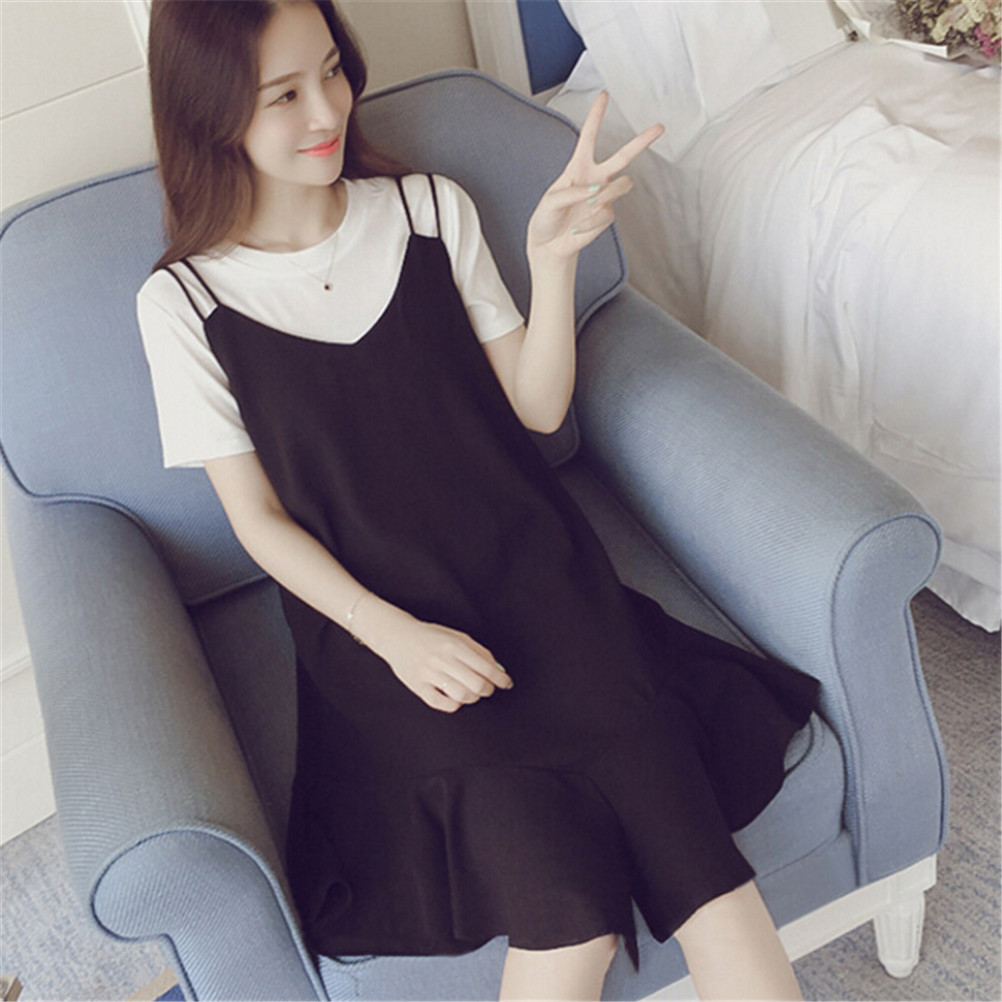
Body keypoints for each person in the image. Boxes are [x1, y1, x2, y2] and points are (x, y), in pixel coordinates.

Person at [137, 1, 821, 998]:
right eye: (283, 95)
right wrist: (396, 638)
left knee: (714, 888)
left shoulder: (426, 210)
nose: (327, 109)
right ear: (211, 114)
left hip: (542, 583)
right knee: (569, 923)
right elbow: (259, 523)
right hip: (382, 636)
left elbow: (537, 410)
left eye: (331, 69)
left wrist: (553, 262)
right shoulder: (184, 304)